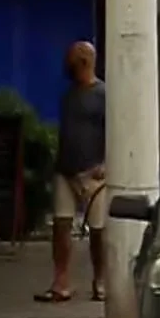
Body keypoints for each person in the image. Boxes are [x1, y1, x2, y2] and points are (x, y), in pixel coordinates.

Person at [39, 42, 107, 303]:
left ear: (85, 61)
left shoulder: (102, 94)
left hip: (94, 173)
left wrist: (106, 164)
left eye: (72, 60)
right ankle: (61, 280)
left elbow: (114, 130)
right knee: (61, 226)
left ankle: (100, 280)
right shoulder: (68, 95)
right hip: (65, 170)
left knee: (99, 231)